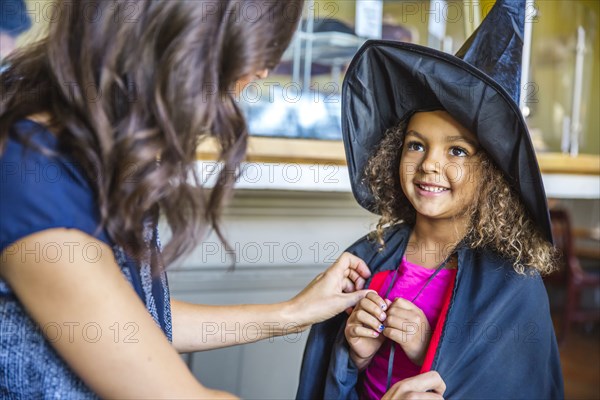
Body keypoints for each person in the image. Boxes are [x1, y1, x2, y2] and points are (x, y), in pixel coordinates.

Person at [0, 1, 382, 398]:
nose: (265, 71)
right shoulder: (31, 180)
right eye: (261, 48)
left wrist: (292, 313)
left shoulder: (90, 151)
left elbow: (133, 322)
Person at [296, 1, 564, 399]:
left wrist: (428, 349)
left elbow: (516, 385)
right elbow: (328, 380)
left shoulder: (511, 284)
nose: (429, 165)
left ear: (491, 172)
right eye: (416, 145)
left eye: (457, 151)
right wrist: (356, 356)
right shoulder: (370, 257)